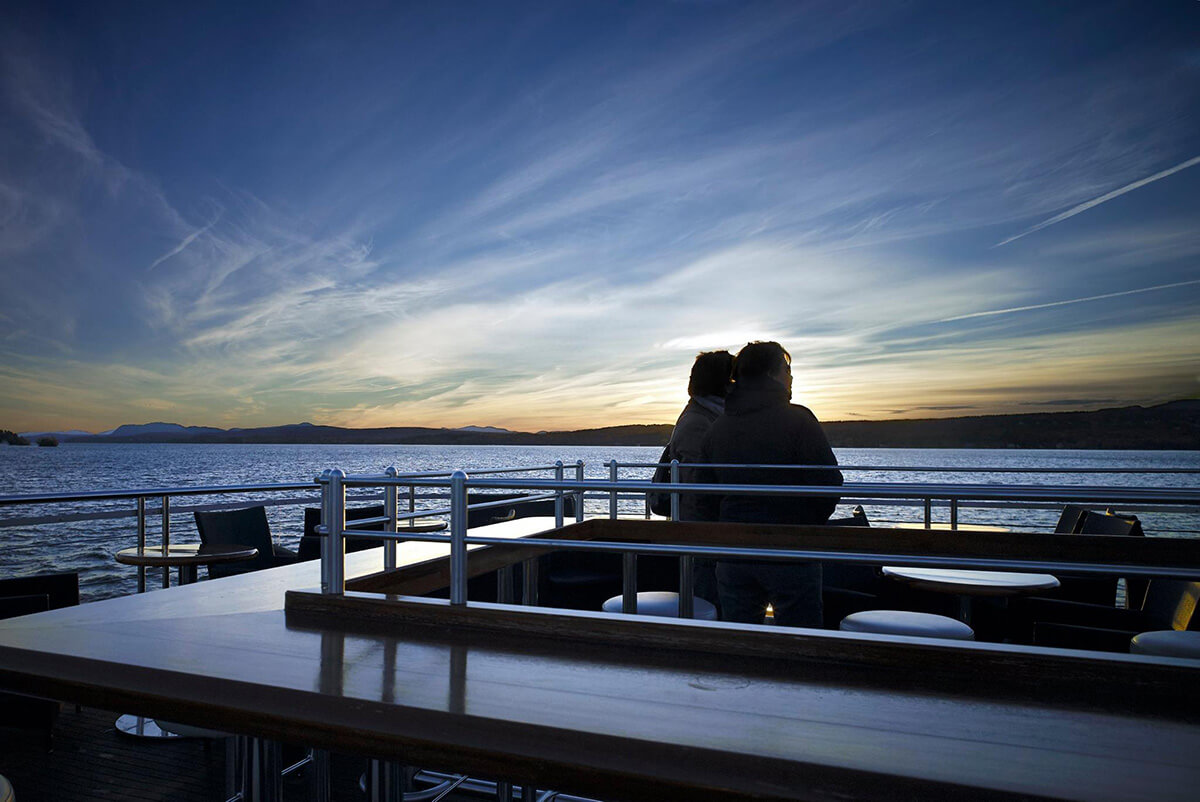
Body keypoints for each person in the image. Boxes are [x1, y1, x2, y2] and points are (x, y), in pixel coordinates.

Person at [697, 341, 843, 628]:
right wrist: (804, 528)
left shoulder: (718, 428)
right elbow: (829, 484)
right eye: (787, 369)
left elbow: (704, 496)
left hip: (734, 552)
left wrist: (725, 531)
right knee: (801, 639)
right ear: (773, 374)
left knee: (740, 638)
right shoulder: (799, 419)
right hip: (791, 551)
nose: (791, 377)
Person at [651, 350, 734, 609]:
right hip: (704, 534)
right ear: (722, 381)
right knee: (708, 602)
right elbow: (697, 486)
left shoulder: (709, 416)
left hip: (711, 531)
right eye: (734, 378)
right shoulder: (699, 422)